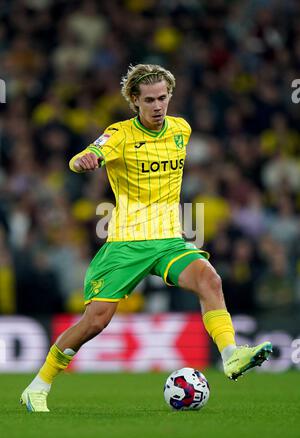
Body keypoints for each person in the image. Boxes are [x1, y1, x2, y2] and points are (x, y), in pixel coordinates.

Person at [20, 64, 272, 412]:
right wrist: (86, 160)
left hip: (168, 240)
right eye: (149, 100)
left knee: (209, 279)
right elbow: (79, 159)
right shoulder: (119, 134)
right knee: (96, 321)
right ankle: (38, 385)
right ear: (134, 102)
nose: (158, 106)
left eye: (163, 98)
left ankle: (230, 355)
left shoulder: (181, 129)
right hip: (126, 243)